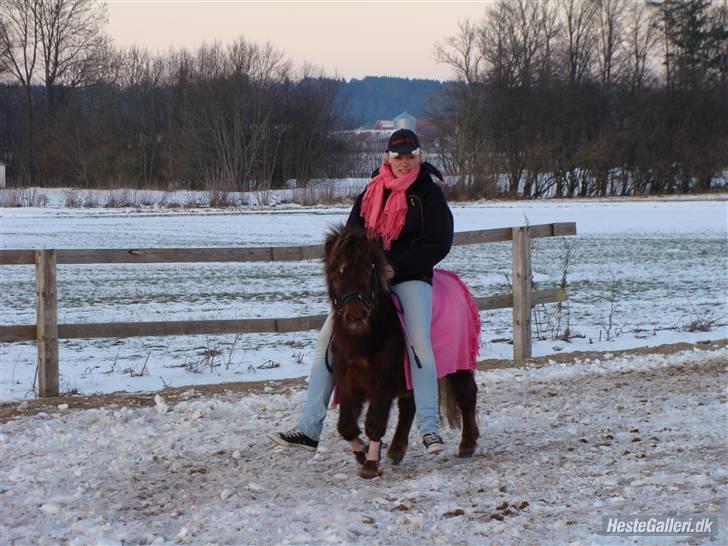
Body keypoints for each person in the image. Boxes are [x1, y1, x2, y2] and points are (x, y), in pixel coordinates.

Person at [268, 128, 454, 455]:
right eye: (399, 157)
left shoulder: (428, 194)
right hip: (368, 282)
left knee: (418, 342)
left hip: (408, 276)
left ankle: (428, 427)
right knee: (326, 343)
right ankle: (309, 427)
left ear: (419, 156)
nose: (406, 162)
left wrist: (396, 265)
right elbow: (351, 240)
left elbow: (439, 243)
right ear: (388, 158)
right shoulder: (370, 193)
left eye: (412, 156)